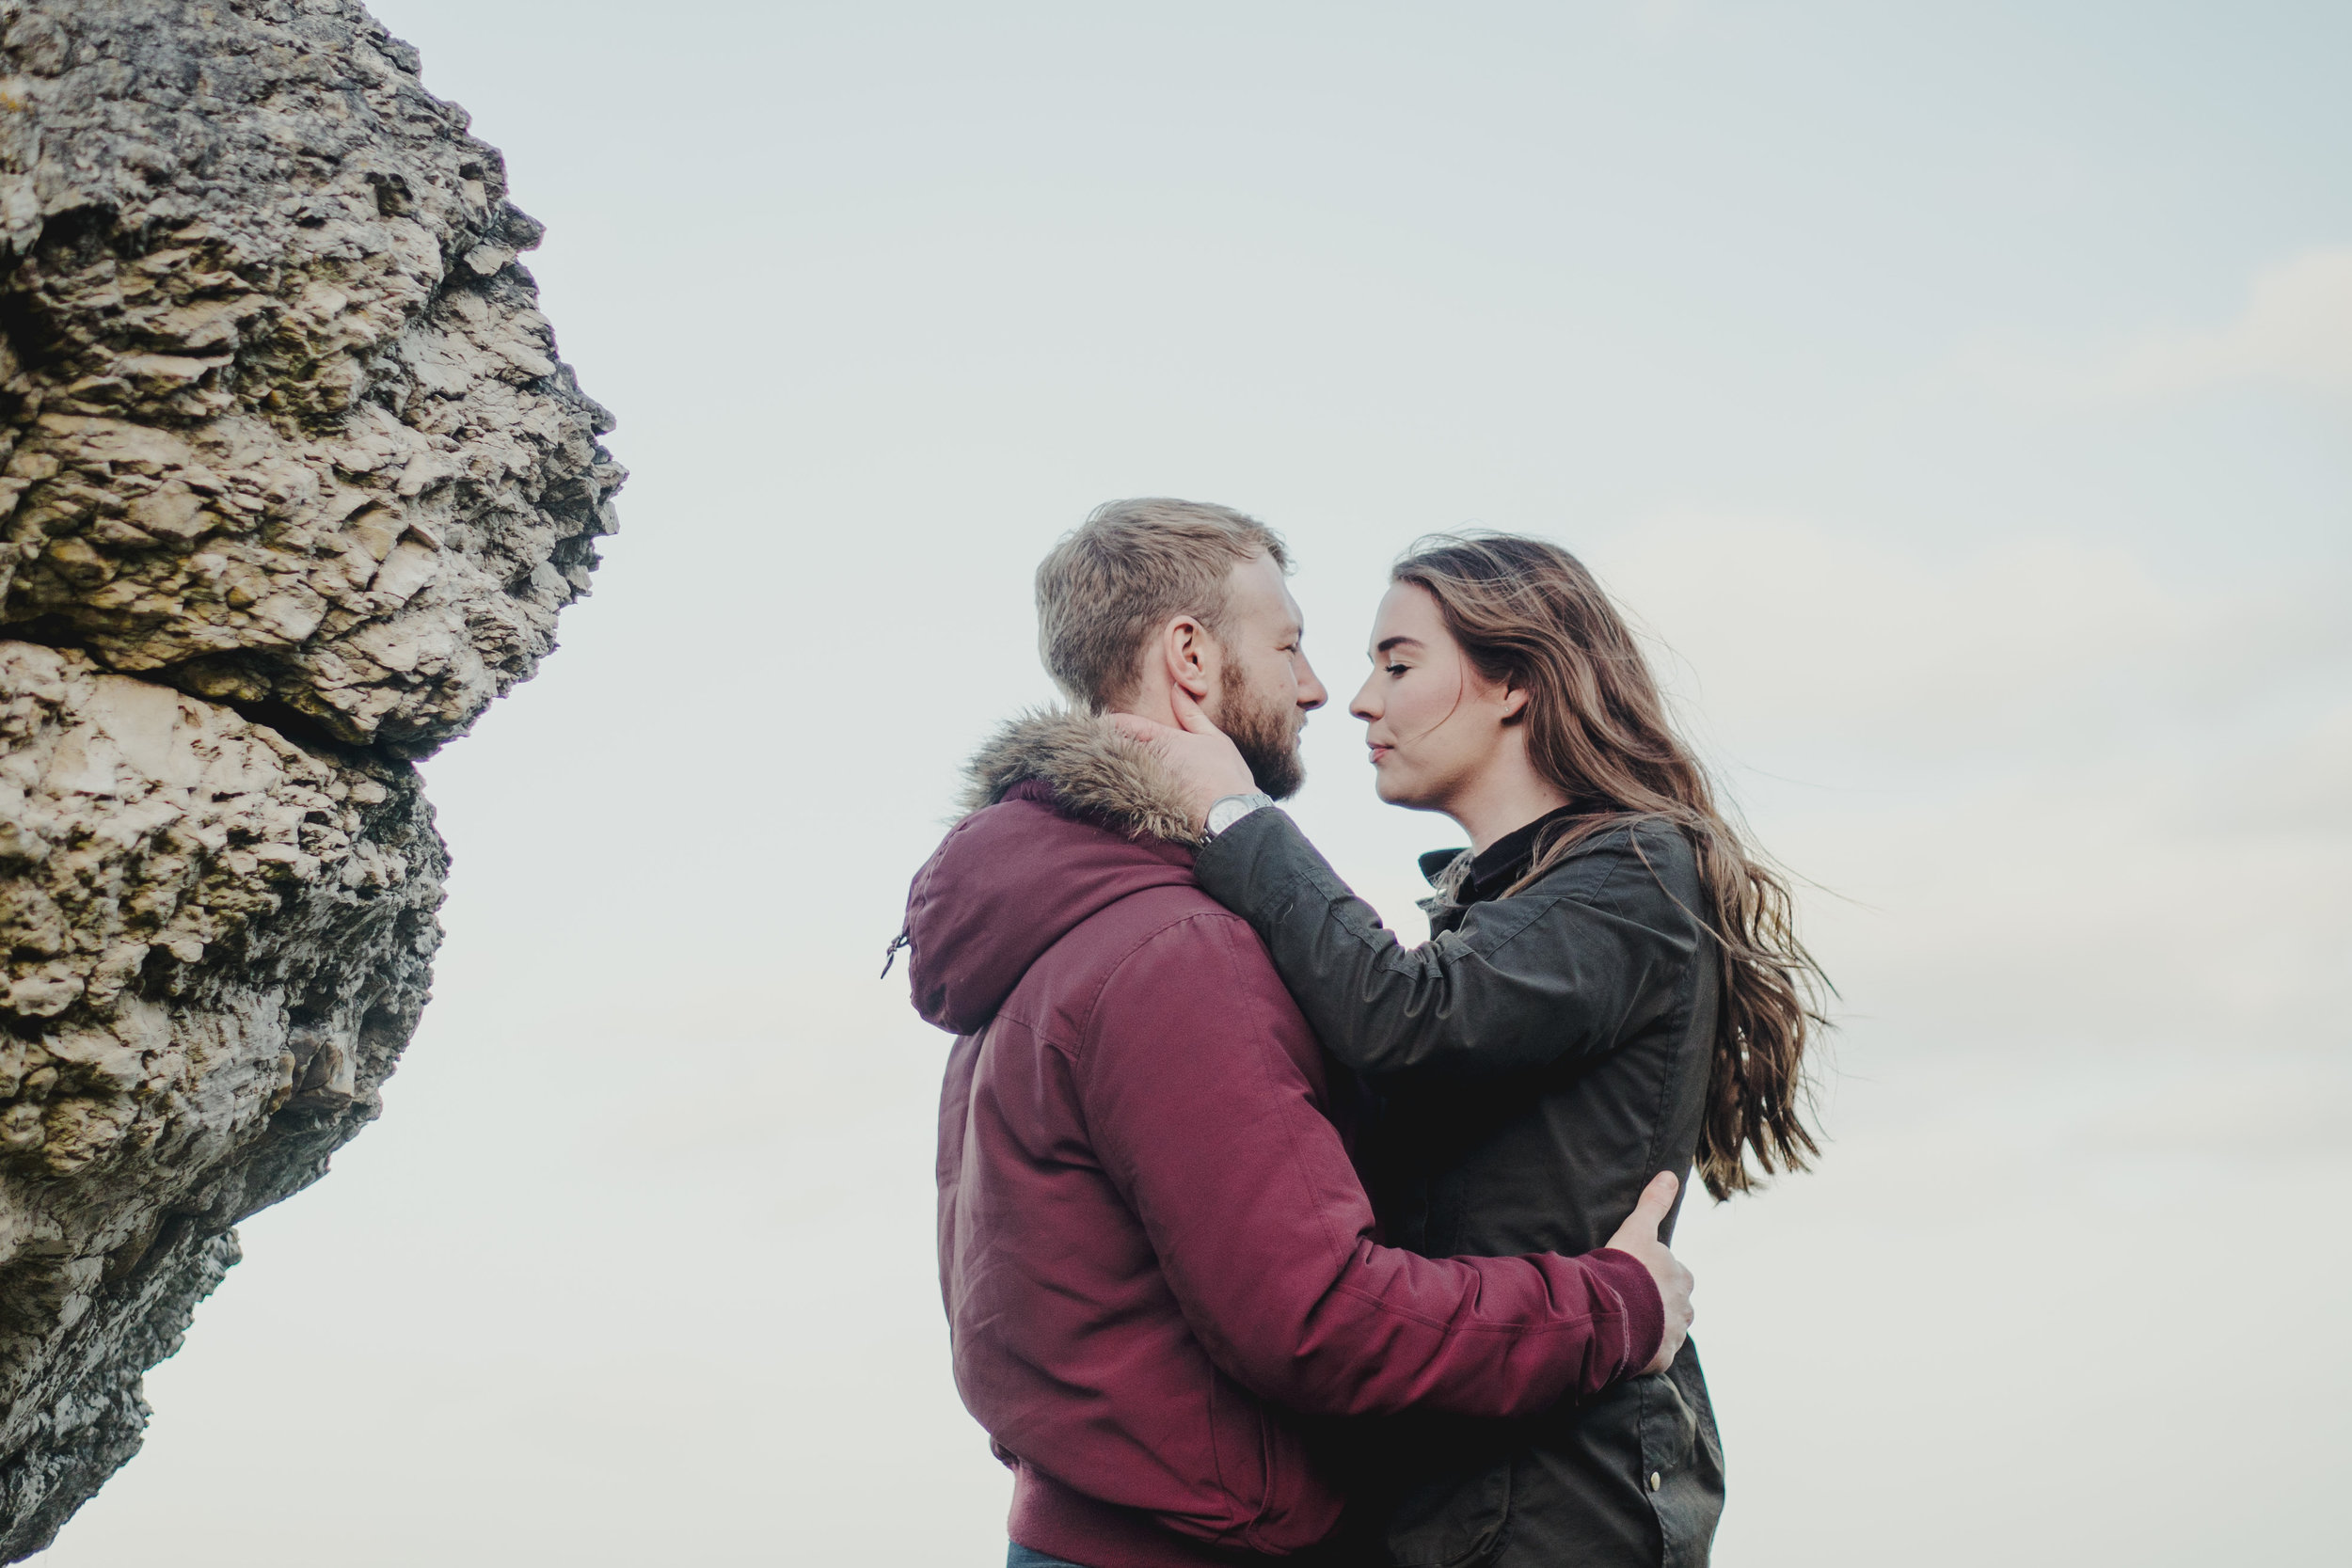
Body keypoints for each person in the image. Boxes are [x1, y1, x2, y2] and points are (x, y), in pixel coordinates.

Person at [896, 500, 1697, 1568]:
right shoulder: (1175, 946)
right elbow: (1320, 1318)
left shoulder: (1055, 919)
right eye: (1289, 646)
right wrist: (1616, 1304)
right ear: (1190, 657)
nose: (1323, 688)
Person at [1113, 531, 1828, 1567]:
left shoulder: (1628, 873)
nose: (1359, 699)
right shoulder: (1509, 903)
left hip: (1554, 1504)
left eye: (1397, 662)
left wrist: (1231, 811)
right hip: (1457, 1491)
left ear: (1515, 683)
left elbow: (1405, 1019)